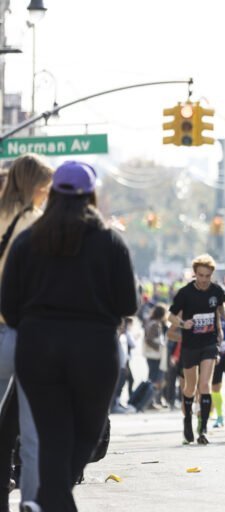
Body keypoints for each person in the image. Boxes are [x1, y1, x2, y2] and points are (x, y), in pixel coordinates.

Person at [1, 160, 138, 512]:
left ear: (54, 194)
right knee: (86, 434)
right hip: (93, 352)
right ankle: (52, 499)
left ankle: (48, 499)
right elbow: (128, 303)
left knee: (50, 433)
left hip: (37, 349)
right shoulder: (110, 242)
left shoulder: (28, 241)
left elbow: (9, 305)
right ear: (90, 195)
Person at [0, 154, 53, 511]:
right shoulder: (38, 224)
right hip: (29, 332)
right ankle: (32, 502)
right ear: (35, 185)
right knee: (33, 431)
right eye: (45, 186)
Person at [169, 254, 225, 445]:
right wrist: (184, 323)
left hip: (209, 342)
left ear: (212, 275)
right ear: (195, 274)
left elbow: (222, 306)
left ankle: (203, 429)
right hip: (190, 345)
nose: (203, 280)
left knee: (205, 386)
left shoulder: (216, 291)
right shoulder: (185, 293)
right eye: (200, 275)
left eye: (207, 276)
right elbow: (171, 317)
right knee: (190, 388)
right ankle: (187, 421)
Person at [143, 305, 169, 409]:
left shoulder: (152, 322)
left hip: (153, 356)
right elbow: (148, 340)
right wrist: (159, 347)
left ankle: (151, 401)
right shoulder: (155, 324)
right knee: (155, 379)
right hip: (155, 356)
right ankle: (149, 401)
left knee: (154, 378)